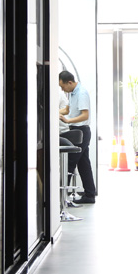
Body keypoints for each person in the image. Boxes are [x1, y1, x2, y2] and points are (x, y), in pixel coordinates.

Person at [58, 70, 96, 204]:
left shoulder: (81, 93)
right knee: (83, 164)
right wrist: (54, 112)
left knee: (69, 163)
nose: (63, 89)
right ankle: (90, 195)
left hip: (80, 132)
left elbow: (85, 115)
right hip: (77, 131)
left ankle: (60, 198)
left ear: (69, 82)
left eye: (63, 87)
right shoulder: (73, 93)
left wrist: (68, 121)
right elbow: (67, 110)